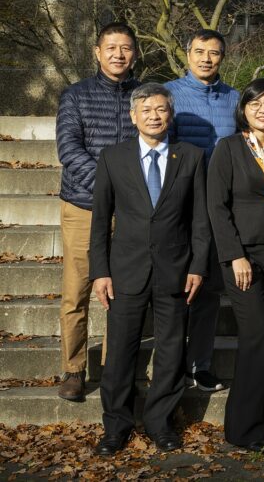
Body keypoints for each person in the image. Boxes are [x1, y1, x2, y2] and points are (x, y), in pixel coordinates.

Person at [89, 83, 208, 455]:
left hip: (175, 270)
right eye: (147, 110)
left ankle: (160, 422)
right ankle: (116, 426)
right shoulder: (113, 157)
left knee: (172, 351)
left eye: (161, 109)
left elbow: (200, 219)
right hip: (125, 271)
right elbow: (100, 221)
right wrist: (100, 271)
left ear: (169, 115)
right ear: (133, 115)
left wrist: (198, 266)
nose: (154, 116)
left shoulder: (190, 156)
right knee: (121, 352)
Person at [208, 79, 264, 452]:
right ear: (243, 108)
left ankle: (258, 422)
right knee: (257, 333)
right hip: (243, 254)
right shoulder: (228, 148)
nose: (263, 109)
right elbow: (216, 206)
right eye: (255, 102)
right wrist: (234, 255)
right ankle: (243, 429)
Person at [55, 21, 141, 402]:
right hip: (84, 206)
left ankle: (114, 367)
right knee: (78, 290)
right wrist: (109, 188)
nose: (118, 54)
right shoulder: (76, 95)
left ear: (135, 53)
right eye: (111, 47)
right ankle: (74, 369)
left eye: (125, 48)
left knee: (120, 292)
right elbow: (69, 149)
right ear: (97, 51)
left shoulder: (145, 95)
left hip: (131, 212)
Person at [165, 29, 238, 393]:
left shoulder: (235, 98)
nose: (206, 58)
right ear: (187, 54)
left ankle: (201, 364)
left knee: (208, 290)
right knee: (177, 288)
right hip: (178, 206)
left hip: (218, 205)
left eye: (214, 53)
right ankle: (172, 364)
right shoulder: (169, 94)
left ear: (222, 57)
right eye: (199, 51)